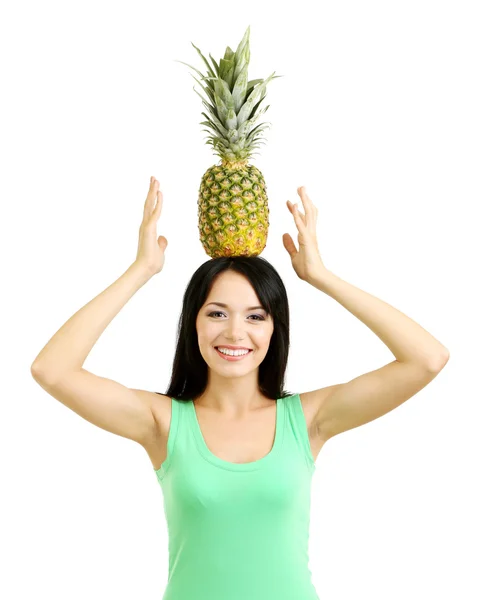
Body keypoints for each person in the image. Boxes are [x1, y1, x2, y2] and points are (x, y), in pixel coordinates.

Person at [31, 176, 450, 600]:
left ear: (275, 329)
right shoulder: (162, 422)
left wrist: (322, 277)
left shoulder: (307, 421)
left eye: (255, 317)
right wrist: (141, 271)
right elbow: (53, 370)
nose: (235, 333)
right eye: (217, 313)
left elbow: (426, 359)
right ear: (193, 322)